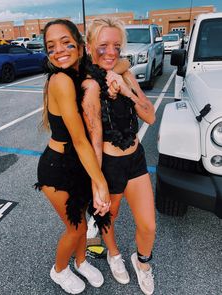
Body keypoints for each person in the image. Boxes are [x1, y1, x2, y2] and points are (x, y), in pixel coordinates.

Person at [34, 19, 112, 294]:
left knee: (79, 215)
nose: (59, 50)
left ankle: (80, 261)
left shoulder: (83, 73)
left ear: (80, 47)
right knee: (76, 228)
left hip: (78, 165)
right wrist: (100, 182)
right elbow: (79, 139)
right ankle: (59, 270)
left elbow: (117, 64)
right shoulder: (61, 80)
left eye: (66, 42)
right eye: (51, 46)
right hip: (56, 169)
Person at [82, 17, 156, 295]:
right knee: (108, 218)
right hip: (109, 164)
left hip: (135, 159)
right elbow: (95, 139)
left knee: (148, 225)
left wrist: (126, 89)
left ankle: (143, 263)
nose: (111, 52)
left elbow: (150, 114)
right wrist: (97, 184)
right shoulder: (89, 87)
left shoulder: (126, 74)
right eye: (103, 46)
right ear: (89, 46)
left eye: (116, 45)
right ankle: (113, 254)